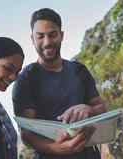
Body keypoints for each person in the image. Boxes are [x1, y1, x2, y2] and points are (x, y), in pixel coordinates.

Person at [12, 8, 107, 159]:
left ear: (61, 35)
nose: (47, 42)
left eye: (52, 35)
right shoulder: (26, 79)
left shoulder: (79, 70)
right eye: (40, 36)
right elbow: (26, 134)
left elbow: (102, 108)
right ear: (32, 39)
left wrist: (89, 109)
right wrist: (57, 149)